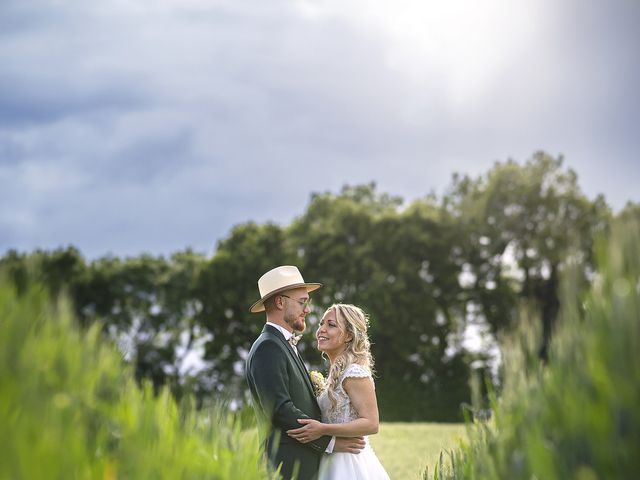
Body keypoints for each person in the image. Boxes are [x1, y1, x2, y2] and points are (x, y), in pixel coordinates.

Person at [245, 266, 366, 480]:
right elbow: (280, 409)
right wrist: (331, 442)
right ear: (280, 302)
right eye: (302, 302)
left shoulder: (282, 344)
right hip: (288, 466)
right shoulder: (268, 347)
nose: (307, 310)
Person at [286, 304, 390, 480]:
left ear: (349, 335)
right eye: (321, 324)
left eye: (331, 325)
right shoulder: (336, 375)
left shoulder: (354, 373)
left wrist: (323, 429)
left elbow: (371, 423)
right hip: (330, 458)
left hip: (349, 464)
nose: (321, 330)